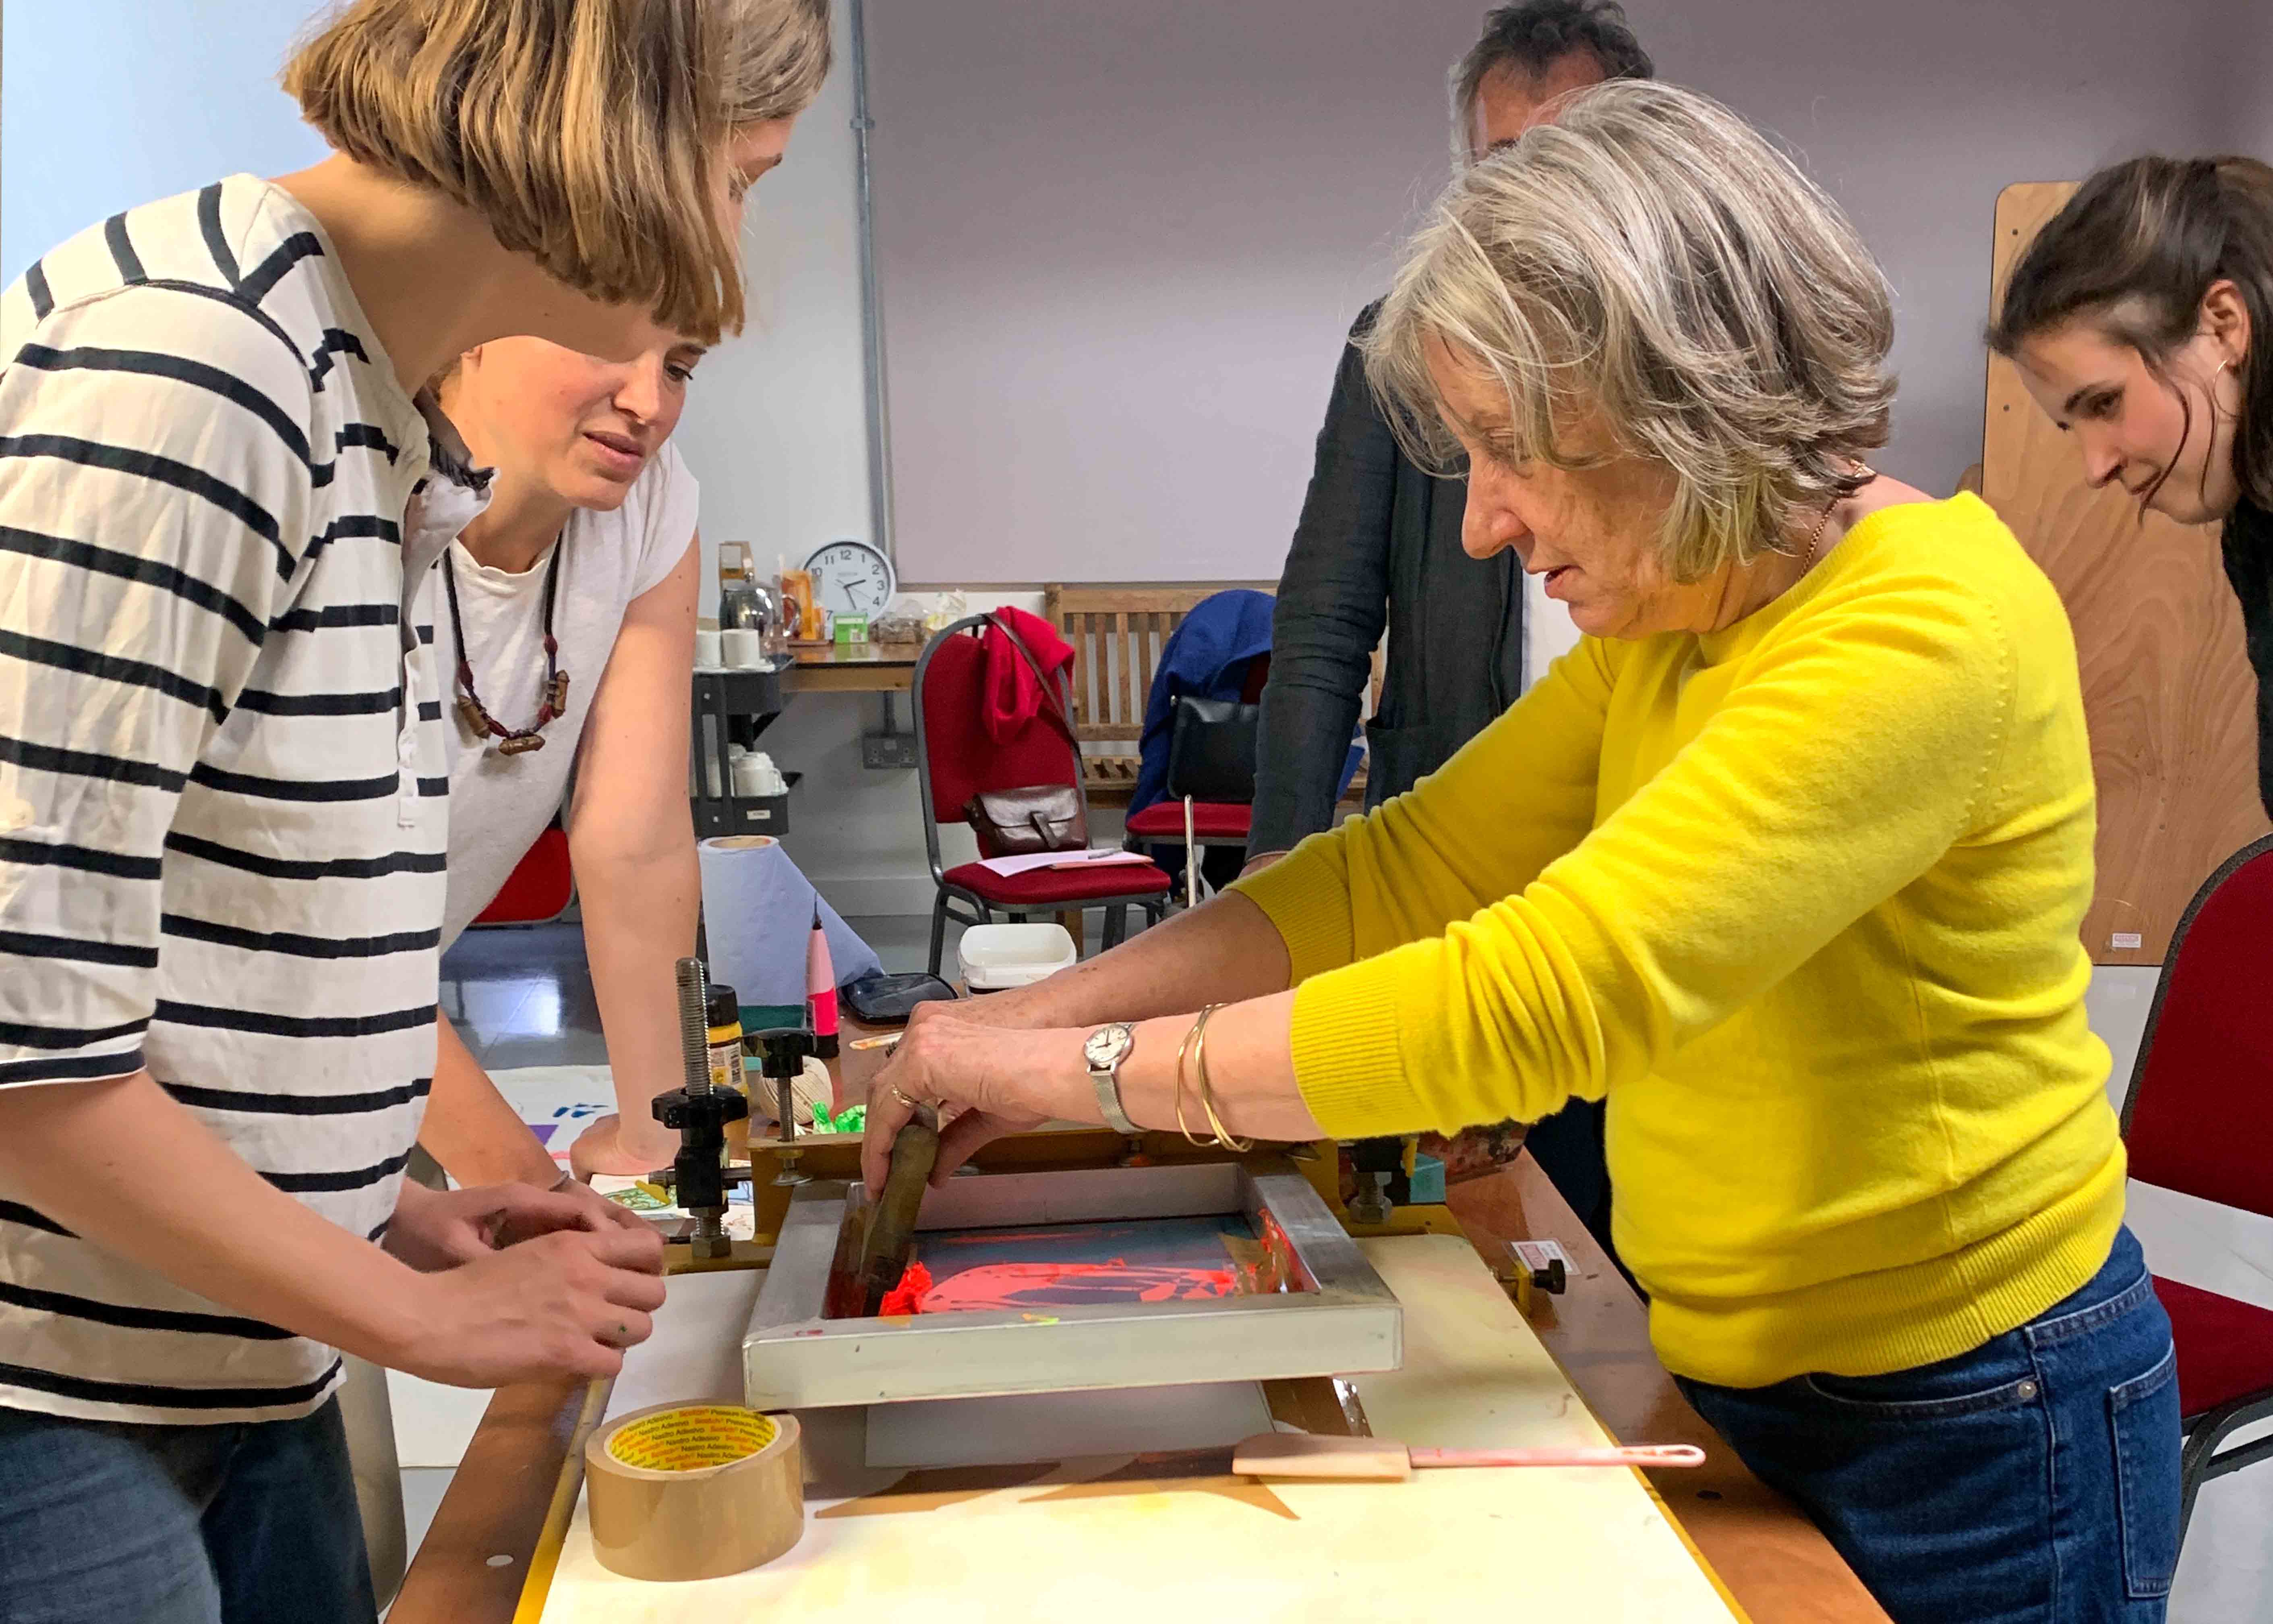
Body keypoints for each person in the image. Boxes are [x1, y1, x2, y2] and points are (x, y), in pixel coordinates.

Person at [863, 83, 2182, 1623]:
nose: (1482, 524)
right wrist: (1021, 1018)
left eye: (1511, 451)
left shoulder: (1924, 626)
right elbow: (1400, 872)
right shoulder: (1695, 608)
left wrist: (1067, 1080)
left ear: (1675, 400)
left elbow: (1535, 998)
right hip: (1763, 1374)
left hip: (1971, 1420)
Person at [0, 1, 831, 1619]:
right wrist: (428, 1328)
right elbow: (20, 1040)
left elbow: (234, 933)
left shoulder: (359, 405)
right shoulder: (189, 373)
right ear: (619, 127)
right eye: (743, 180)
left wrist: (387, 1200)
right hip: (49, 1387)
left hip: (225, 1347)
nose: (730, 260)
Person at [1248, 0, 1655, 1251]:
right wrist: (1276, 873)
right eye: (1501, 164)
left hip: (1643, 847)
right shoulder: (1402, 346)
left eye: (1567, 151)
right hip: (1464, 846)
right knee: (1468, 1220)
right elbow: (1323, 623)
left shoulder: (1679, 355)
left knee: (1622, 1212)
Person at [412, 335, 714, 1186]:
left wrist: (661, 1138)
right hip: (160, 1041)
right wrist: (535, 1198)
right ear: (475, 322)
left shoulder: (647, 493)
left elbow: (637, 839)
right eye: (608, 345)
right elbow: (318, 939)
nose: (649, 404)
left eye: (680, 368)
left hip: (365, 1030)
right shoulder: (356, 488)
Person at [1989, 155, 2273, 816]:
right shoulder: (2254, 529)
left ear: (2225, 325)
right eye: (2072, 427)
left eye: (2105, 404)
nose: (2096, 467)